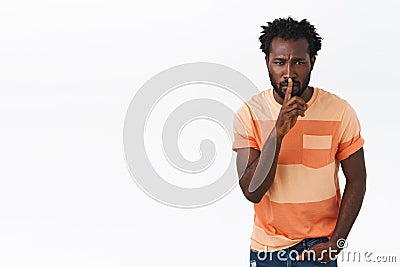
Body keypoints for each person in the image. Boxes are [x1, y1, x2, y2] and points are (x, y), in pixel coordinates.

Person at [232, 17, 366, 266]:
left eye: (299, 63)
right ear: (267, 63)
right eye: (279, 63)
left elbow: (357, 180)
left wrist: (336, 243)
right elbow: (252, 191)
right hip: (267, 251)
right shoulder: (249, 113)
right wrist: (278, 133)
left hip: (319, 248)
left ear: (312, 62)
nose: (289, 73)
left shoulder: (339, 111)